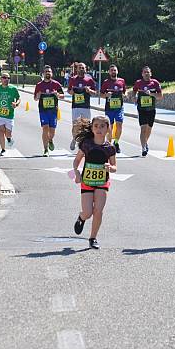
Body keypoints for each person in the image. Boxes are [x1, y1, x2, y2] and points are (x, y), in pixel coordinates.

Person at [72, 115, 117, 249]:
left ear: (108, 129)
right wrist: (76, 172)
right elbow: (77, 160)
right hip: (87, 181)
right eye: (96, 126)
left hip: (102, 182)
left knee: (98, 211)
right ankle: (81, 218)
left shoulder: (110, 148)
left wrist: (111, 168)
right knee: (88, 212)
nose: (99, 129)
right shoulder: (87, 144)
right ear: (91, 128)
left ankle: (93, 238)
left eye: (102, 126)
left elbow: (114, 167)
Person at [34, 65, 64, 157]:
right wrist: (38, 95)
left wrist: (57, 95)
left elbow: (63, 96)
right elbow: (35, 98)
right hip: (43, 111)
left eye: (49, 71)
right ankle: (45, 149)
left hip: (53, 111)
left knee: (52, 131)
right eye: (46, 71)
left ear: (52, 73)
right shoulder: (39, 85)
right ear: (43, 73)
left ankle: (50, 140)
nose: (48, 73)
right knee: (45, 128)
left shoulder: (56, 84)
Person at [133, 66, 163, 156]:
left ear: (151, 73)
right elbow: (134, 91)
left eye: (148, 72)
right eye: (144, 72)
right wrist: (134, 96)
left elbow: (160, 96)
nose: (146, 74)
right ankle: (143, 148)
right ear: (142, 74)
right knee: (143, 128)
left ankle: (145, 142)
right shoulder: (138, 83)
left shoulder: (155, 83)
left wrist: (152, 94)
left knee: (149, 129)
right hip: (141, 109)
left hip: (151, 109)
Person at [0, 73, 20, 156]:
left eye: (8, 78)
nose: (6, 79)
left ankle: (9, 138)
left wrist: (16, 104)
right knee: (1, 131)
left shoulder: (13, 89)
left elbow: (19, 98)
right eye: (4, 77)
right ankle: (3, 149)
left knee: (8, 133)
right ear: (1, 79)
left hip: (9, 115)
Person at [68, 62, 97, 150]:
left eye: (83, 68)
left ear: (85, 69)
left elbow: (95, 93)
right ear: (76, 69)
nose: (81, 69)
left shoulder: (89, 80)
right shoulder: (72, 79)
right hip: (76, 106)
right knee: (75, 124)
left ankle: (85, 143)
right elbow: (69, 90)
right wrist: (71, 92)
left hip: (86, 106)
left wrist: (89, 91)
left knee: (87, 126)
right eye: (80, 67)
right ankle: (74, 138)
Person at [100, 64, 127, 153]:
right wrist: (106, 95)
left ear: (117, 71)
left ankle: (116, 142)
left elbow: (124, 92)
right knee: (109, 127)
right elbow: (101, 94)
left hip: (119, 108)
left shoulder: (121, 81)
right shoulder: (106, 82)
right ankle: (109, 144)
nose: (113, 72)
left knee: (119, 125)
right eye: (111, 70)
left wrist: (125, 95)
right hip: (109, 108)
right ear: (109, 72)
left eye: (115, 70)